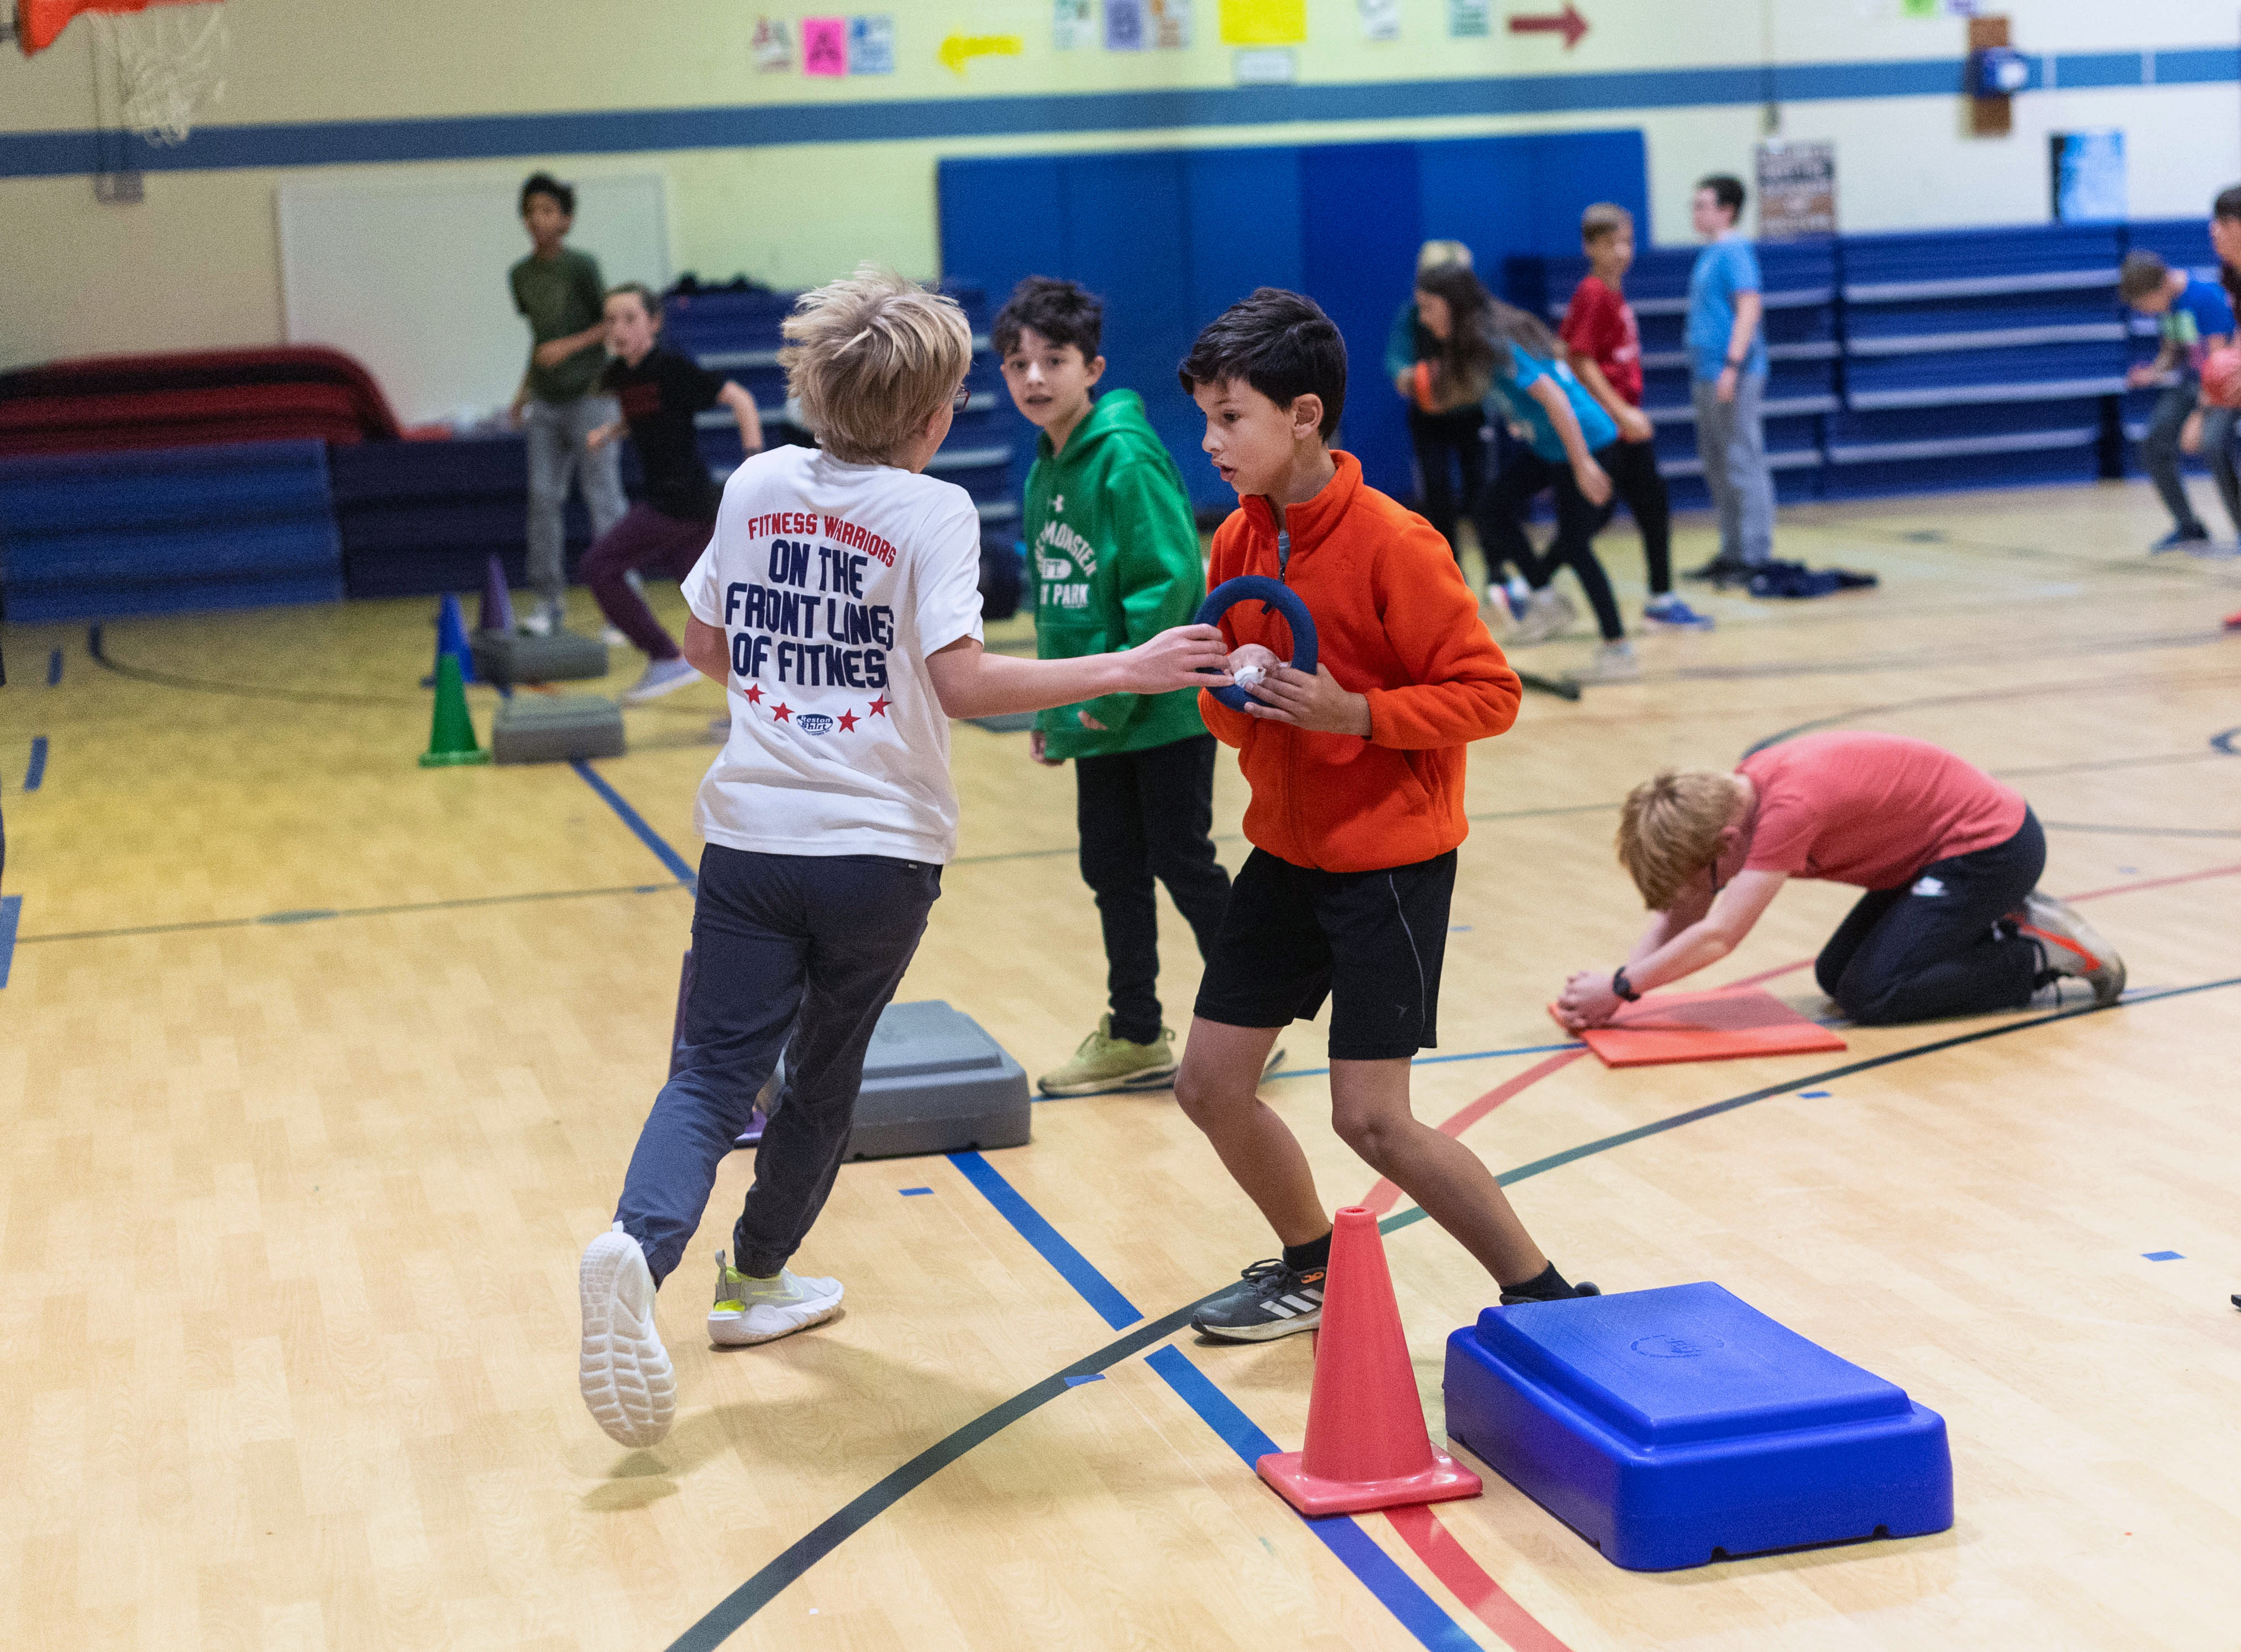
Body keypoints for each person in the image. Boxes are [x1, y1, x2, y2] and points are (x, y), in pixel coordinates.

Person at [575, 267, 1234, 1449]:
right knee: (823, 1075)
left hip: (748, 836)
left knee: (710, 1074)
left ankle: (636, 1242)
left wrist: (797, 684)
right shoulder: (928, 513)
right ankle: (756, 1278)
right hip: (876, 856)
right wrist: (1121, 667)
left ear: (808, 383)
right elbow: (964, 684)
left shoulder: (756, 481)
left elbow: (704, 648)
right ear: (934, 418)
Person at [1169, 286, 1598, 1343]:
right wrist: (1228, 697)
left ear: (1304, 415)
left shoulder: (1396, 543)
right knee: (1210, 1086)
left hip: (1389, 867)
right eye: (1206, 417)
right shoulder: (1236, 542)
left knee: (1371, 1118)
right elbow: (1235, 725)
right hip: (1284, 851)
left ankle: (1541, 1294)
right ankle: (1310, 1265)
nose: (1211, 441)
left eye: (1233, 418)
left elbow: (1489, 695)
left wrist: (1353, 711)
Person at [992, 276, 1239, 1096]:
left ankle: (1250, 1018)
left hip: (1162, 709)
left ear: (1091, 366)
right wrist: (1058, 707)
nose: (1033, 378)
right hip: (1097, 710)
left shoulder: (1123, 455)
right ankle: (1136, 1029)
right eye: (1016, 363)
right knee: (1110, 868)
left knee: (1182, 860)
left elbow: (1167, 585)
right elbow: (1062, 605)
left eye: (1051, 361)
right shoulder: (1044, 466)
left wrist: (1109, 694)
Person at [1552, 732, 2125, 1035]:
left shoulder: (1786, 809)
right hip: (1928, 860)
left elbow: (1718, 933)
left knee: (1872, 994)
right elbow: (1681, 909)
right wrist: (1617, 993)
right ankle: (1995, 930)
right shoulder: (1734, 802)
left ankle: (2036, 952)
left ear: (1725, 843)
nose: (1694, 896)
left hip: (1990, 851)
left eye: (1698, 880)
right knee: (1836, 977)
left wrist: (1623, 986)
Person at [580, 284, 765, 702]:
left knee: (599, 566)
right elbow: (647, 416)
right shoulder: (622, 374)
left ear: (654, 323)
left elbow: (742, 399)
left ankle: (666, 658)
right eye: (610, 320)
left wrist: (753, 460)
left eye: (630, 318)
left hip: (679, 501)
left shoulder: (671, 367)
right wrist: (610, 432)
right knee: (717, 609)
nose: (618, 328)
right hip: (685, 507)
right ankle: (768, 704)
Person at [1460, 272, 1640, 683]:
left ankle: (1619, 649)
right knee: (1490, 507)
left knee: (1575, 545)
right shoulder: (1479, 346)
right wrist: (1517, 419)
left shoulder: (1495, 343)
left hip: (1588, 443)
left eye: (1432, 308)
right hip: (1549, 446)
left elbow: (1558, 399)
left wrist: (1581, 465)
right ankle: (1544, 596)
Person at [1558, 203, 1714, 632]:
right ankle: (1534, 584)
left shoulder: (1610, 290)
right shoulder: (1592, 293)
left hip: (1622, 425)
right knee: (1598, 519)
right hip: (1611, 427)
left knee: (1644, 508)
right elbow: (1580, 359)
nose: (1623, 252)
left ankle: (1660, 600)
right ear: (1590, 247)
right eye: (1611, 244)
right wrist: (1621, 411)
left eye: (1627, 242)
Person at [508, 172, 629, 636]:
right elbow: (539, 340)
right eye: (531, 210)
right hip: (546, 400)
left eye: (548, 211)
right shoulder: (520, 275)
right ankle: (547, 602)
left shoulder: (582, 267)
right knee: (542, 498)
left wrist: (569, 347)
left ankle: (619, 606)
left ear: (565, 220)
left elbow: (609, 326)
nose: (538, 219)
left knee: (603, 499)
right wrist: (522, 394)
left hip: (591, 397)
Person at [1682, 174, 1777, 586]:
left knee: (1742, 460)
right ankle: (1731, 550)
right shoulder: (1711, 253)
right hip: (1706, 372)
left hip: (1731, 373)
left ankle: (1753, 554)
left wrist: (1732, 365)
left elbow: (1749, 307)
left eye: (1703, 205)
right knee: (1717, 463)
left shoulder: (1735, 251)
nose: (1696, 212)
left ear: (1727, 210)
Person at [2118, 250, 2238, 553]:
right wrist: (2152, 373)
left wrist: (2200, 415)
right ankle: (2189, 527)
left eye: (2144, 304)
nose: (2145, 311)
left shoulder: (2204, 299)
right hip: (2189, 384)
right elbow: (2174, 353)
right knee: (2154, 443)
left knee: (2213, 441)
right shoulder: (2169, 307)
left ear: (2159, 287)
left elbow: (2219, 361)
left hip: (2220, 386)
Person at [1384, 239, 1492, 574]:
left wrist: (1466, 383)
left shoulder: (1479, 317)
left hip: (1471, 415)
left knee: (1483, 496)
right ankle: (1451, 573)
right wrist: (1409, 377)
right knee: (1438, 494)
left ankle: (1499, 574)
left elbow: (1492, 366)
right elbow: (1396, 359)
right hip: (1429, 418)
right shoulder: (1413, 313)